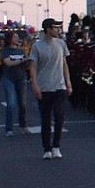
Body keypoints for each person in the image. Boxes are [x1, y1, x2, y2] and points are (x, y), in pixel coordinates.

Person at [28, 19, 73, 159]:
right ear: (48, 29)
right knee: (46, 119)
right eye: (55, 27)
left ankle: (56, 146)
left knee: (59, 115)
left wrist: (68, 83)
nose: (57, 30)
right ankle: (47, 148)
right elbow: (33, 67)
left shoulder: (61, 44)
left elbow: (64, 64)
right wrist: (34, 85)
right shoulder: (37, 47)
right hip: (44, 87)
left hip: (59, 86)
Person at [0, 29, 33, 136]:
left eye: (17, 37)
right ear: (10, 39)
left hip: (21, 78)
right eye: (15, 37)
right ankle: (9, 129)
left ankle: (24, 126)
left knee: (22, 104)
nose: (17, 39)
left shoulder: (21, 51)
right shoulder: (5, 51)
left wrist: (28, 62)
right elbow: (8, 63)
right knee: (11, 103)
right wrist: (22, 60)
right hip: (9, 78)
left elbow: (25, 66)